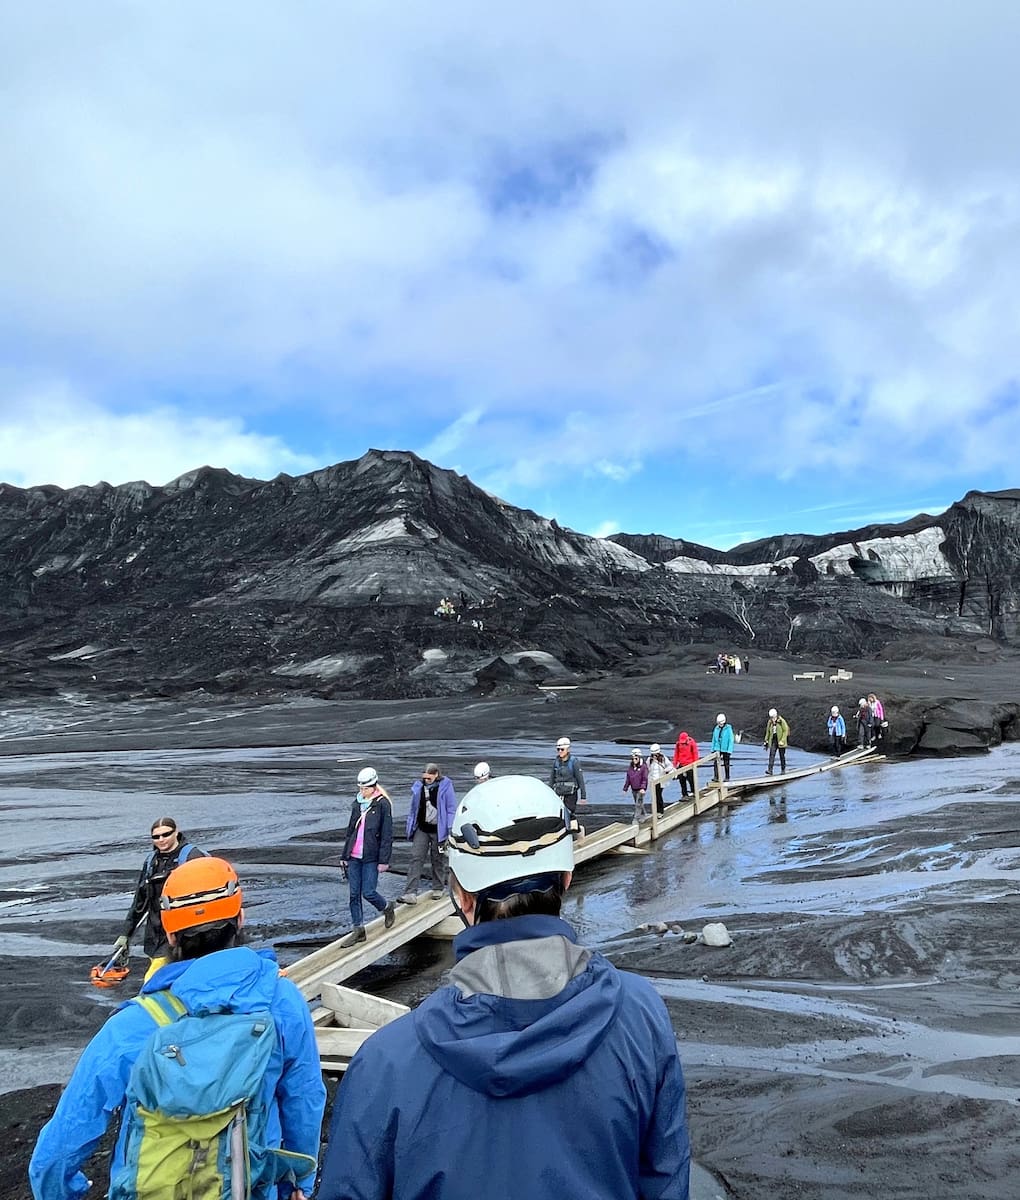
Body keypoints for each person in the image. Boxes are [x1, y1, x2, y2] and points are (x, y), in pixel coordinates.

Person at [318, 775, 691, 1200]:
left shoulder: (386, 1062)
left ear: (461, 895)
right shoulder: (641, 1016)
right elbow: (665, 1180)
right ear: (567, 876)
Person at [30, 857, 326, 1200]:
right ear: (240, 919)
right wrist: (297, 1183)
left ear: (170, 935)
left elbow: (59, 1148)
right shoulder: (281, 1001)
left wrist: (65, 1191)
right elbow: (304, 1099)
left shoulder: (130, 1026)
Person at [115, 817, 207, 982]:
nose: (161, 840)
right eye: (156, 837)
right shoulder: (151, 861)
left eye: (166, 834)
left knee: (152, 981)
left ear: (176, 832)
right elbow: (140, 900)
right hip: (155, 936)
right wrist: (125, 934)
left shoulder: (193, 857)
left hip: (185, 935)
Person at [340, 766, 396, 945]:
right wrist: (344, 855)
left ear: (373, 786)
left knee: (368, 892)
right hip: (354, 856)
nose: (362, 791)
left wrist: (384, 861)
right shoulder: (357, 804)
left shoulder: (382, 804)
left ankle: (386, 907)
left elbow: (387, 835)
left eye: (365, 788)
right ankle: (358, 929)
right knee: (353, 894)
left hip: (371, 857)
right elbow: (350, 831)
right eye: (360, 788)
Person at [401, 762, 457, 903]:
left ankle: (438, 888)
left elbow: (451, 809)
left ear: (436, 775)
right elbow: (414, 809)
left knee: (438, 859)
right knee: (416, 857)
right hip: (422, 828)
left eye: (429, 778)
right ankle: (410, 892)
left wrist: (450, 828)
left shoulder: (446, 786)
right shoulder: (419, 787)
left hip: (439, 830)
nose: (426, 780)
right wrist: (411, 826)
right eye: (424, 778)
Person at [549, 735, 587, 834]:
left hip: (570, 794)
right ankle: (566, 832)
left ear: (567, 749)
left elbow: (580, 779)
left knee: (569, 813)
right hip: (558, 793)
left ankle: (577, 830)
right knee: (559, 814)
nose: (560, 751)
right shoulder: (556, 762)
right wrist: (549, 793)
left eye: (562, 749)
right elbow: (552, 779)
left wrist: (583, 796)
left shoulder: (574, 762)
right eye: (558, 749)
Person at [622, 748, 648, 820]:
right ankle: (643, 814)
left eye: (636, 758)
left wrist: (643, 788)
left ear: (639, 757)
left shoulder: (643, 767)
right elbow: (628, 778)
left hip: (640, 789)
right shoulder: (631, 767)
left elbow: (644, 778)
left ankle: (636, 818)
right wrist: (625, 788)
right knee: (639, 803)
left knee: (638, 804)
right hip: (634, 788)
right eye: (633, 758)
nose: (634, 760)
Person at [763, 707, 790, 775]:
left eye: (773, 717)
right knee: (771, 755)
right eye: (771, 717)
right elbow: (768, 732)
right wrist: (766, 740)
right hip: (773, 740)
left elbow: (785, 730)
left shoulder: (781, 721)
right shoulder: (770, 722)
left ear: (776, 715)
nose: (772, 719)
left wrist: (782, 740)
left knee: (782, 756)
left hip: (781, 741)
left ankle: (783, 769)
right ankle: (770, 770)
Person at [672, 730, 699, 797]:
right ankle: (684, 794)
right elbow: (676, 754)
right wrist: (674, 764)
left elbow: (695, 753)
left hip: (690, 764)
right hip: (681, 764)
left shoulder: (691, 742)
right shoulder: (678, 744)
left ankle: (693, 791)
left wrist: (695, 763)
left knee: (691, 779)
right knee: (682, 780)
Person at [647, 743, 671, 814]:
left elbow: (670, 766)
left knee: (658, 795)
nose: (654, 756)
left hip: (660, 780)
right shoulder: (649, 760)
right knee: (654, 796)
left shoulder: (663, 759)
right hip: (652, 780)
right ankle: (656, 811)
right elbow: (647, 768)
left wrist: (665, 770)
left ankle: (660, 811)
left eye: (656, 754)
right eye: (653, 754)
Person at [710, 713, 734, 781]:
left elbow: (731, 740)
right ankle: (716, 777)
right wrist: (713, 749)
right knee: (716, 763)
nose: (719, 725)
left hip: (726, 749)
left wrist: (729, 750)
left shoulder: (728, 729)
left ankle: (727, 777)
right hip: (717, 748)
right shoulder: (716, 728)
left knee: (726, 763)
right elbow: (714, 739)